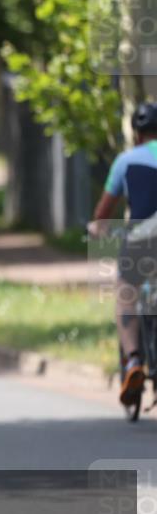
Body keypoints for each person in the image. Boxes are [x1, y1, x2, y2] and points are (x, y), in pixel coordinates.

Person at [89, 102, 157, 405]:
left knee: (125, 290)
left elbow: (104, 213)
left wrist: (96, 228)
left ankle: (132, 361)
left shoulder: (125, 161)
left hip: (142, 237)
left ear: (137, 133)